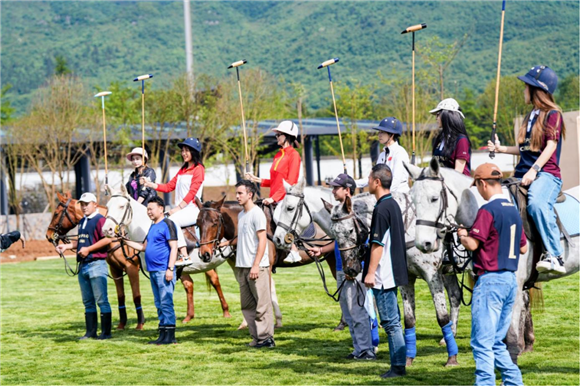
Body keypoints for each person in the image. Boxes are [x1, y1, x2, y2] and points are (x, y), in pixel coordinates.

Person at [487, 65, 566, 275]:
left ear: (536, 90)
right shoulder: (530, 116)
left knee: (537, 205)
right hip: (521, 173)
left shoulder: (553, 114)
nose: (523, 90)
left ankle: (555, 256)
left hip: (546, 174)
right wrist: (500, 148)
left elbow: (551, 146)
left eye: (526, 86)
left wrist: (534, 170)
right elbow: (524, 149)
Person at [457, 163, 527, 386]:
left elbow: (473, 245)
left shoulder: (487, 210)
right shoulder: (513, 210)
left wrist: (462, 235)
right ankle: (514, 381)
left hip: (490, 281)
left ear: (482, 183)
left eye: (477, 186)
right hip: (509, 280)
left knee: (482, 343)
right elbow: (523, 248)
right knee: (497, 341)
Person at [309, 173, 377, 360]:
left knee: (357, 311)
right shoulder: (338, 210)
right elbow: (340, 240)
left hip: (353, 269)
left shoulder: (358, 210)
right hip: (341, 267)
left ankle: (366, 351)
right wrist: (322, 250)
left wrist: (353, 269)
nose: (332, 191)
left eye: (336, 188)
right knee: (348, 313)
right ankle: (358, 349)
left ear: (347, 190)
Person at [363, 164, 408, 378]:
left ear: (377, 182)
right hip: (393, 272)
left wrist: (370, 273)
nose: (368, 181)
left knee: (390, 323)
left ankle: (398, 367)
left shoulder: (382, 208)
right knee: (394, 322)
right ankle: (398, 364)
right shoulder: (393, 205)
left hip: (384, 274)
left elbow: (378, 244)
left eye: (370, 178)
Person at [55, 192, 113, 340]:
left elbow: (108, 239)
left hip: (96, 264)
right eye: (82, 204)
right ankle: (91, 332)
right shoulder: (82, 222)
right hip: (83, 265)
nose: (84, 207)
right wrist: (67, 247)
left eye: (87, 204)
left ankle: (106, 333)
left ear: (95, 204)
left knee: (102, 300)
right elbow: (81, 241)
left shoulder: (101, 220)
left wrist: (89, 249)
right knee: (88, 301)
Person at [123, 196, 179, 345]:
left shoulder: (168, 224)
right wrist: (125, 240)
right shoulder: (153, 226)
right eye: (147, 209)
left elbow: (174, 247)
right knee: (159, 303)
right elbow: (143, 247)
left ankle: (170, 336)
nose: (148, 212)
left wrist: (170, 269)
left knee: (166, 302)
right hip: (153, 271)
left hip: (163, 270)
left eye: (151, 209)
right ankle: (162, 334)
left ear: (161, 209)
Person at [244, 120, 302, 263]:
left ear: (287, 137)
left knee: (277, 216)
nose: (276, 137)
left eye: (278, 135)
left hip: (287, 197)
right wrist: (256, 179)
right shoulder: (278, 155)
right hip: (275, 197)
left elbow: (290, 182)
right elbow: (275, 181)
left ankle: (293, 250)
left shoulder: (294, 155)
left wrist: (274, 198)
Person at [141, 137, 204, 267]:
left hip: (193, 209)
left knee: (172, 220)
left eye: (187, 151)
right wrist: (151, 184)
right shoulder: (183, 169)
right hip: (181, 209)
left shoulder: (199, 169)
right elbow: (169, 187)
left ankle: (185, 256)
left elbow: (192, 193)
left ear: (194, 152)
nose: (184, 153)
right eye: (183, 151)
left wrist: (177, 208)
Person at [227, 180, 275, 348]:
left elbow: (262, 240)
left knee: (262, 304)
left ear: (250, 194)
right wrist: (228, 243)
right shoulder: (242, 215)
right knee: (247, 305)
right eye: (237, 193)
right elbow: (246, 237)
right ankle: (257, 338)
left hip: (257, 267)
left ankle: (267, 338)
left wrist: (256, 265)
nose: (237, 196)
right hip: (242, 266)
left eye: (240, 193)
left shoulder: (257, 213)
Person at [355, 117, 410, 196]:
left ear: (391, 135)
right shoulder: (382, 155)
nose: (379, 135)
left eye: (382, 132)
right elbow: (373, 178)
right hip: (386, 195)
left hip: (400, 196)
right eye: (379, 132)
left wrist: (383, 196)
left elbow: (396, 180)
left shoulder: (400, 153)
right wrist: (352, 182)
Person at [430, 98, 472, 176]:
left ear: (447, 115)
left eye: (438, 114)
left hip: (457, 185)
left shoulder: (461, 140)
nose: (436, 118)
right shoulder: (440, 138)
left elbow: (458, 172)